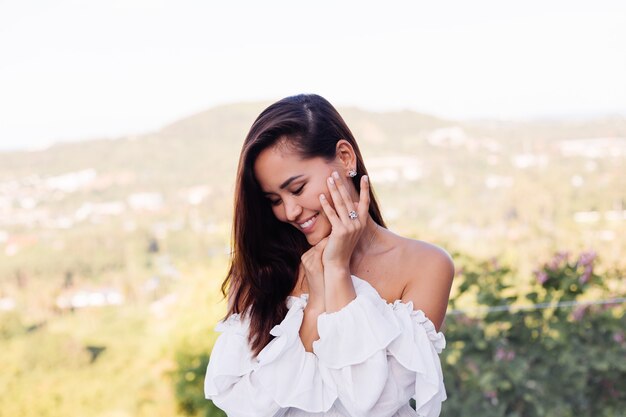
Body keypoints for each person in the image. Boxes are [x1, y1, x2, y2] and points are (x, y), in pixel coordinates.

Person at [204, 94, 454, 417]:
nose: (290, 212)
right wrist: (314, 308)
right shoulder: (263, 268)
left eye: (296, 188)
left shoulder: (425, 267)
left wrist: (336, 271)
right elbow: (250, 407)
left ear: (345, 158)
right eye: (274, 200)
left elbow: (372, 405)